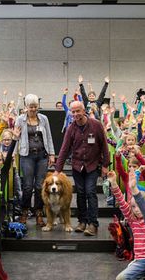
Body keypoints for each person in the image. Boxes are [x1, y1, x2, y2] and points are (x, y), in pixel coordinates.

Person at [55, 100, 110, 236]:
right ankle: (82, 221)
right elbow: (64, 149)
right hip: (77, 166)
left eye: (78, 111)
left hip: (92, 165)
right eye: (73, 112)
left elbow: (104, 146)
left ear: (84, 110)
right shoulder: (71, 128)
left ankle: (93, 224)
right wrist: (58, 169)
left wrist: (105, 165)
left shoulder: (96, 125)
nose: (75, 114)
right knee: (80, 193)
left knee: (90, 192)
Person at [14, 94, 55, 227]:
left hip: (42, 155)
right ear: (26, 107)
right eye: (30, 107)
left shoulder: (44, 119)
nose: (33, 109)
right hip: (27, 156)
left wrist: (52, 154)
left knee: (39, 186)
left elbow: (48, 136)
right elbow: (16, 138)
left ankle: (38, 213)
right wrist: (14, 155)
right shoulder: (20, 119)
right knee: (27, 186)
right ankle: (24, 212)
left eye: (35, 107)